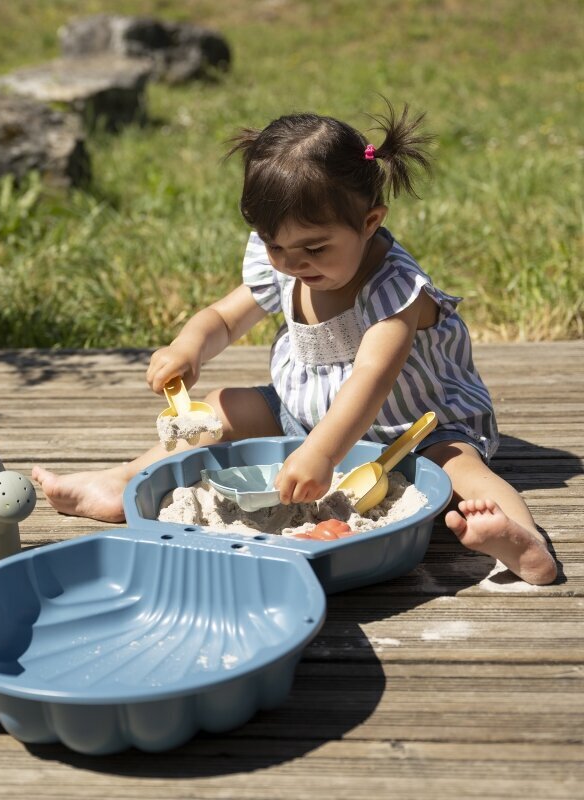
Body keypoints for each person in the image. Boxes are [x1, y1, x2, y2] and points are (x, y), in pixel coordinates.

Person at [32, 100, 557, 585]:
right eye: (275, 245)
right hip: (301, 414)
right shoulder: (285, 259)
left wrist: (321, 452)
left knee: (459, 466)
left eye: (313, 248)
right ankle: (123, 480)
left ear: (370, 222)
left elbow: (373, 380)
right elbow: (224, 316)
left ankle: (520, 540)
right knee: (221, 408)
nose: (293, 263)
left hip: (414, 428)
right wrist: (189, 346)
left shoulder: (394, 290)